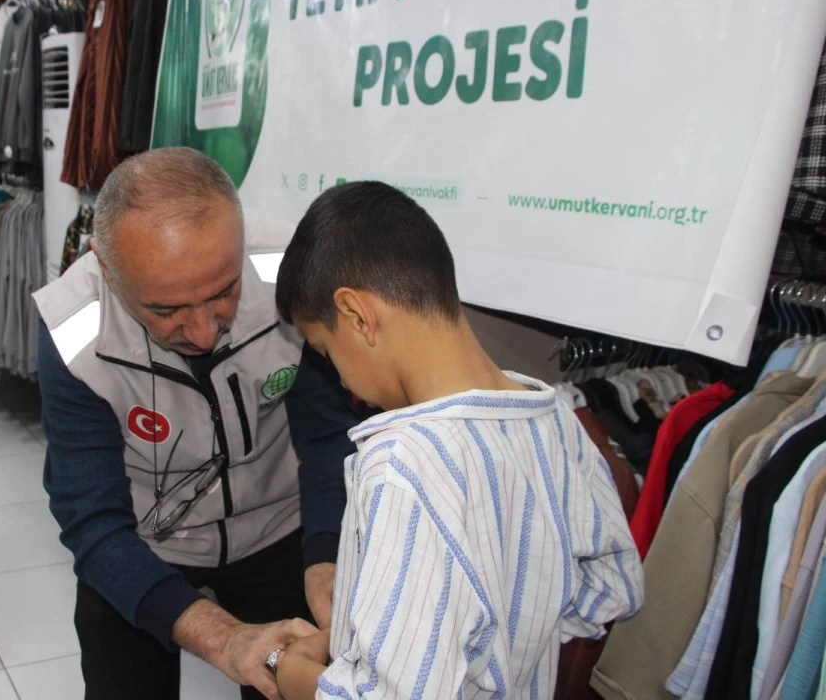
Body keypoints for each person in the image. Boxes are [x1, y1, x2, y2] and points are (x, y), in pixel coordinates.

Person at [269, 181, 645, 699]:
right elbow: (609, 591)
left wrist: (294, 676)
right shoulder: (558, 418)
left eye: (325, 350)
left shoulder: (404, 466)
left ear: (357, 316)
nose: (339, 380)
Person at [32, 147, 361, 699]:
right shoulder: (71, 329)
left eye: (223, 292)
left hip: (284, 533)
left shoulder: (289, 264)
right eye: (166, 311)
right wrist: (225, 638)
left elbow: (329, 439)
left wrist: (326, 559)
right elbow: (92, 521)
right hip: (140, 549)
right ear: (107, 273)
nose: (205, 333)